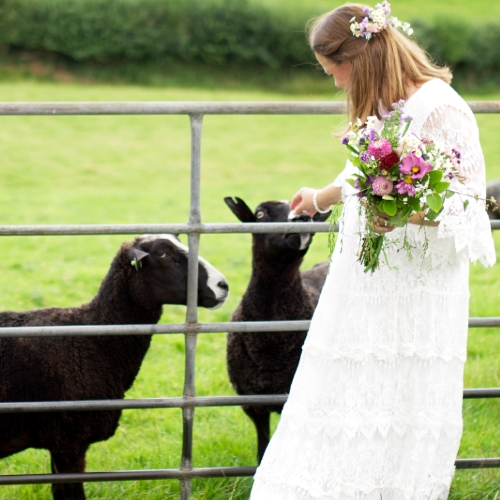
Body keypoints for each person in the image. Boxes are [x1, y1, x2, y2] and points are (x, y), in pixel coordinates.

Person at [249, 2, 496, 499]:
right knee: (342, 392)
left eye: (334, 71)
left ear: (359, 59)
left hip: (415, 289)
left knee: (396, 399)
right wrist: (321, 196)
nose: (337, 83)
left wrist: (407, 213)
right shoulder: (386, 105)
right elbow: (372, 172)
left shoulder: (441, 108)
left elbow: (471, 206)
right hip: (364, 283)